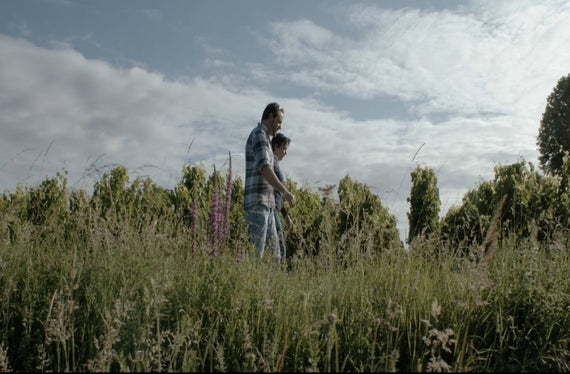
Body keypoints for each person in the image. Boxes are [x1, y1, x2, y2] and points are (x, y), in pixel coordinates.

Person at [244, 102, 296, 262]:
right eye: (279, 122)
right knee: (256, 256)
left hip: (268, 205)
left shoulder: (265, 138)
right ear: (271, 116)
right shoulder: (259, 134)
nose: (280, 126)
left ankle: (269, 286)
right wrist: (286, 192)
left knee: (275, 257)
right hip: (258, 203)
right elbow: (265, 169)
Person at [271, 133, 293, 260]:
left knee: (277, 248)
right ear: (276, 146)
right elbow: (274, 191)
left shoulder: (275, 164)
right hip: (272, 211)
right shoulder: (272, 162)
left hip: (276, 211)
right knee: (280, 248)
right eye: (284, 148)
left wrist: (286, 216)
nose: (285, 153)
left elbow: (278, 194)